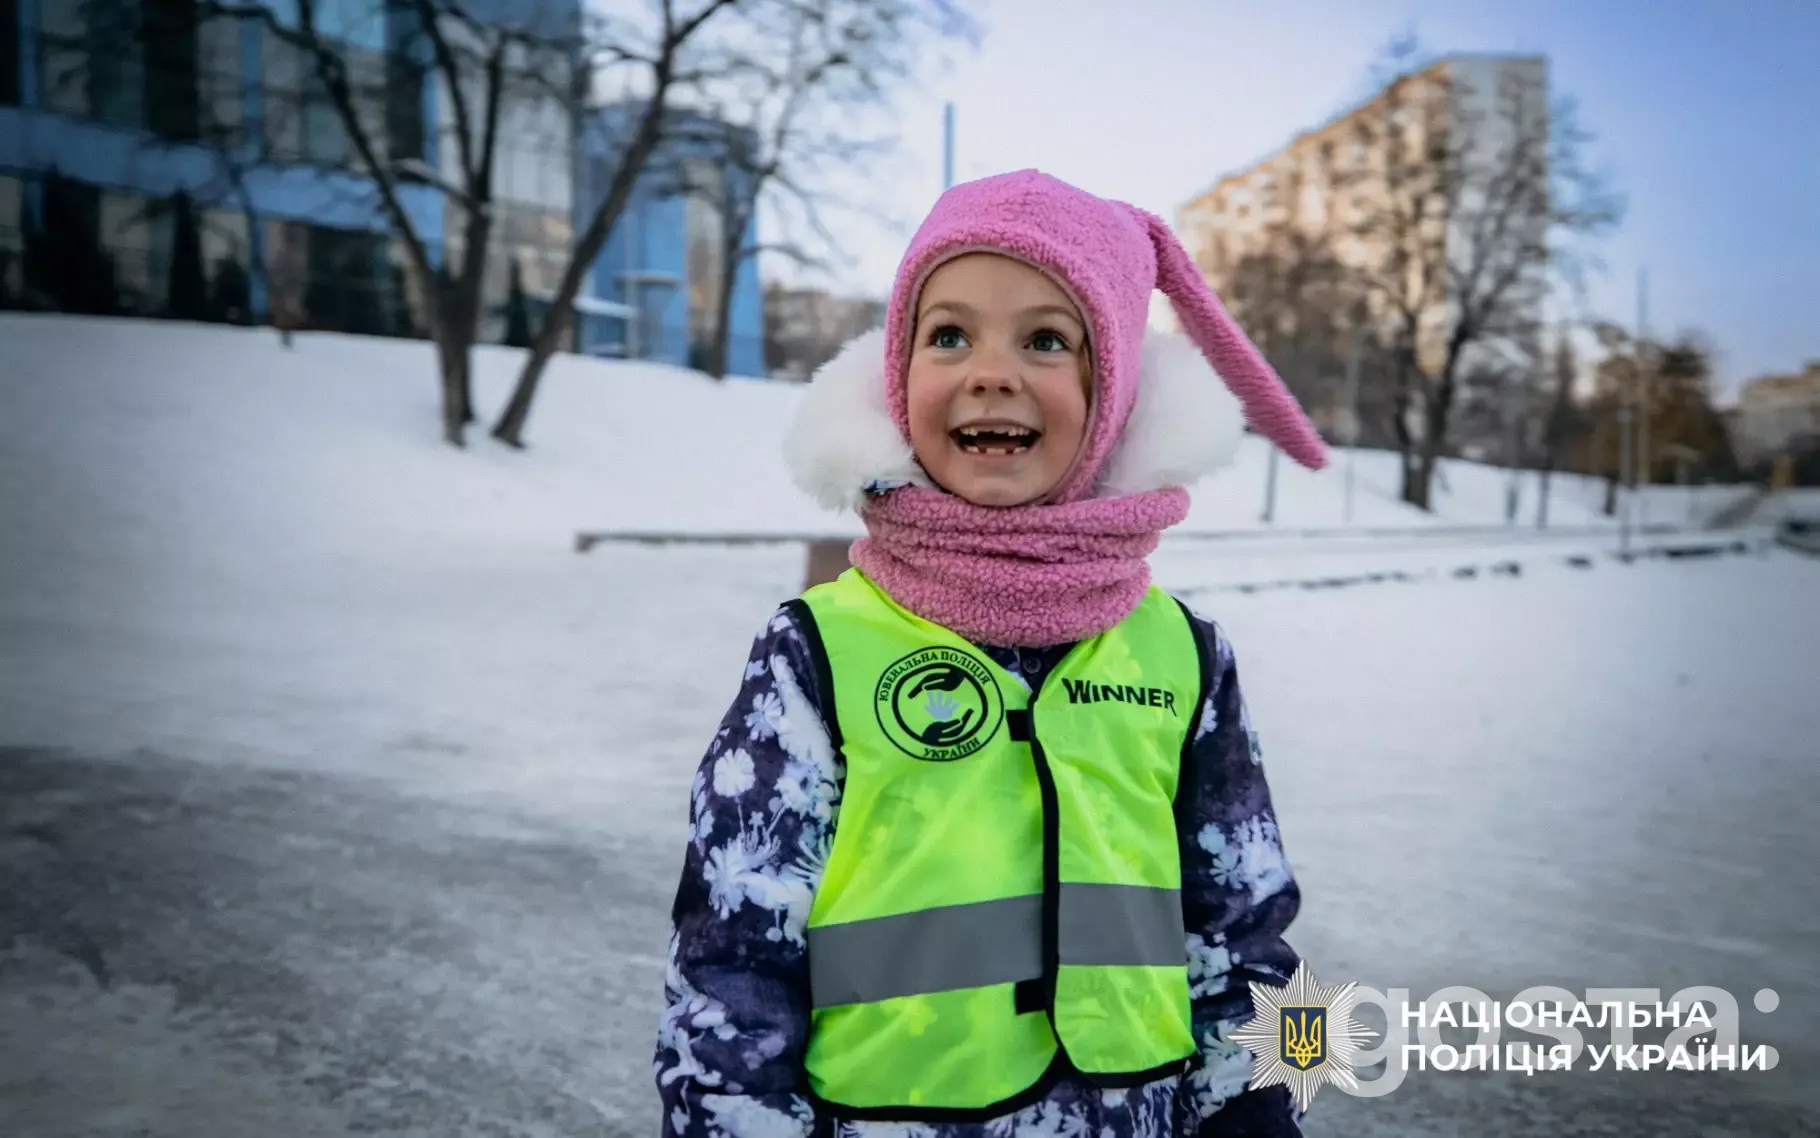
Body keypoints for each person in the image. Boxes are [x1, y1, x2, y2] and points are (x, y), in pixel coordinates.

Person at [655, 170, 1329, 1138]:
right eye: (948, 335)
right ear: (897, 374)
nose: (990, 372)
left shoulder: (1183, 655)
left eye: (1046, 340)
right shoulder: (818, 649)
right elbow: (731, 953)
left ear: (1114, 394)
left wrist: (1269, 1108)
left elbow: (1252, 931)